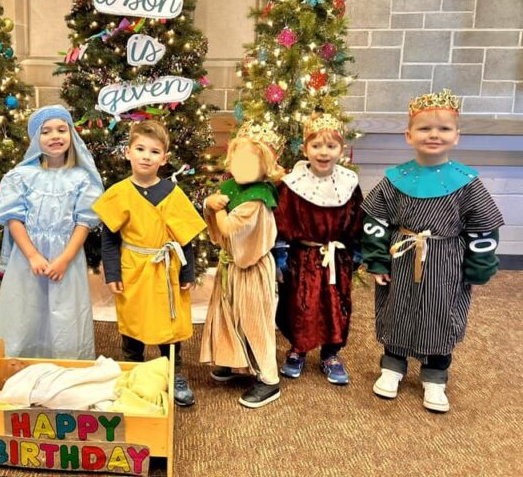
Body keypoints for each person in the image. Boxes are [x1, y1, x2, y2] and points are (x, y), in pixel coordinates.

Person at [361, 89, 504, 412]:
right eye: (425, 128)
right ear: (409, 135)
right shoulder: (394, 179)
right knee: (396, 308)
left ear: (456, 136)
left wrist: (479, 265)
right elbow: (375, 221)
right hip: (402, 256)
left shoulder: (466, 182)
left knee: (442, 313)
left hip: (445, 261)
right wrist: (376, 259)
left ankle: (435, 375)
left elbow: (484, 226)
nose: (434, 135)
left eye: (444, 129)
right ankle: (392, 366)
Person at [93, 120, 206, 407]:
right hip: (134, 268)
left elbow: (185, 239)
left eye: (154, 151)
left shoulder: (172, 192)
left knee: (169, 325)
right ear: (128, 153)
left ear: (164, 159)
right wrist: (112, 272)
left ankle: (173, 372)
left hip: (166, 269)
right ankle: (132, 369)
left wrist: (188, 271)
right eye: (140, 149)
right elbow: (109, 239)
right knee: (133, 322)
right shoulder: (119, 193)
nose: (146, 156)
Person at [0, 105, 103, 359]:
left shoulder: (82, 178)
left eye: (62, 130)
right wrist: (32, 255)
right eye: (46, 131)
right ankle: (18, 362)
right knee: (25, 309)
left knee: (65, 311)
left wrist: (64, 259)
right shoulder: (21, 176)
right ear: (35, 139)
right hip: (28, 256)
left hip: (67, 256)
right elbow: (14, 219)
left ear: (71, 134)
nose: (55, 136)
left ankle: (66, 364)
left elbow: (83, 223)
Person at [201, 120, 285, 408]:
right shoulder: (232, 186)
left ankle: (267, 378)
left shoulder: (257, 200)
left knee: (253, 320)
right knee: (225, 314)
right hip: (231, 267)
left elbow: (229, 229)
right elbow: (214, 213)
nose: (242, 166)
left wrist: (216, 207)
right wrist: (209, 203)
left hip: (250, 268)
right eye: (238, 158)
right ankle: (230, 357)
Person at [274, 113, 363, 385]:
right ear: (305, 149)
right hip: (302, 257)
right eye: (316, 146)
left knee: (336, 304)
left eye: (331, 146)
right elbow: (282, 220)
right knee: (299, 305)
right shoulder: (293, 185)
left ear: (341, 150)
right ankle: (298, 348)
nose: (323, 153)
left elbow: (357, 218)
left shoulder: (348, 183)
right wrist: (281, 255)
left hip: (336, 257)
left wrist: (355, 252)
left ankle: (330, 353)